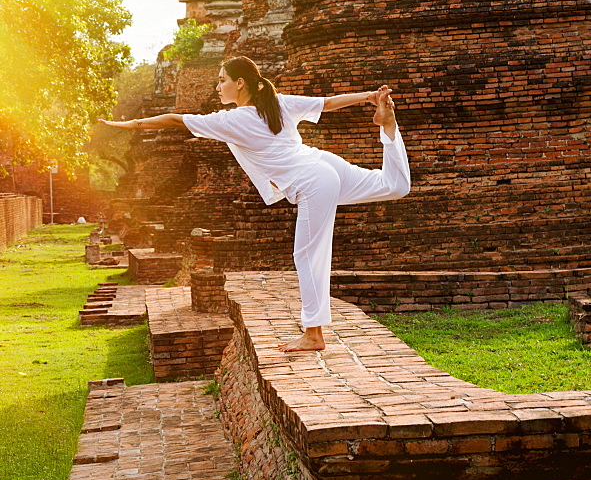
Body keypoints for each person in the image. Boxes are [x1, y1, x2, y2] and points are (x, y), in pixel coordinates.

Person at [100, 56, 410, 352]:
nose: (217, 88)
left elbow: (174, 121)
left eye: (221, 81)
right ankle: (389, 128)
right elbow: (327, 104)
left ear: (240, 83)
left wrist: (132, 125)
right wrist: (369, 96)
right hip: (321, 164)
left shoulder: (233, 119)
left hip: (313, 181)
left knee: (307, 255)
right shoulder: (278, 103)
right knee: (394, 186)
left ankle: (313, 334)